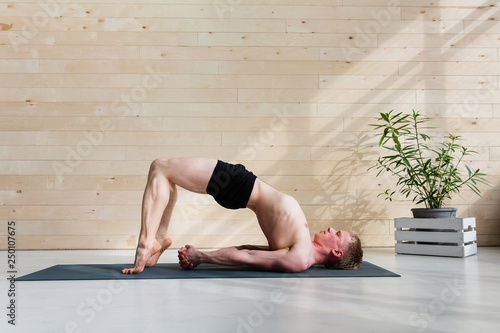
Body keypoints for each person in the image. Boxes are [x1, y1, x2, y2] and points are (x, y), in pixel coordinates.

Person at [122, 158, 363, 274]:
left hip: (238, 184)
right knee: (165, 174)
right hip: (242, 188)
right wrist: (201, 256)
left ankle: (146, 242)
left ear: (337, 251)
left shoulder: (299, 259)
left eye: (337, 234)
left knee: (160, 167)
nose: (332, 228)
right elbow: (248, 248)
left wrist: (202, 256)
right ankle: (159, 238)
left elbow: (247, 256)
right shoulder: (302, 248)